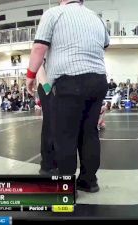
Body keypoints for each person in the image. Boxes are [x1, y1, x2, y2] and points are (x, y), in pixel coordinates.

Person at [26, 0, 109, 193]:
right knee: (89, 132)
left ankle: (66, 187)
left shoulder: (54, 13)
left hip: (70, 82)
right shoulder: (96, 18)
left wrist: (30, 76)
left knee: (65, 136)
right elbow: (104, 45)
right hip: (98, 80)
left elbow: (39, 48)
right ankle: (89, 181)